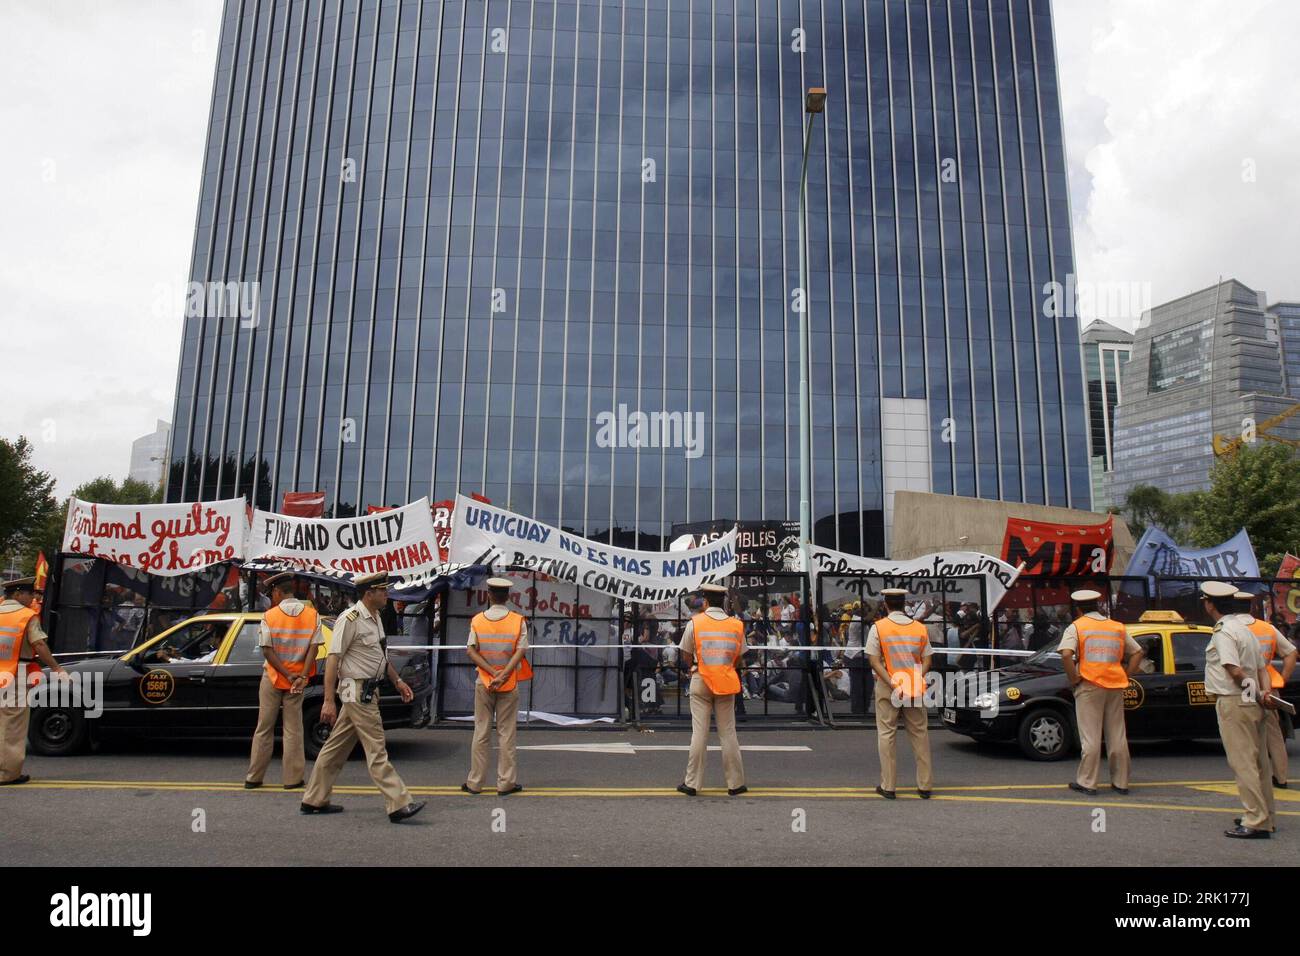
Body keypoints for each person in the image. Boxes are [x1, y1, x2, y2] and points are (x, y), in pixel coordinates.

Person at [300, 572, 425, 823]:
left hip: (366, 690)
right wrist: (327, 700)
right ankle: (399, 803)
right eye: (382, 590)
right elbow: (333, 659)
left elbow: (379, 657)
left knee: (335, 748)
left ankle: (314, 798)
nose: (387, 594)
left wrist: (397, 681)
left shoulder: (375, 617)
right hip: (357, 692)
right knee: (377, 749)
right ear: (369, 594)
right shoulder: (350, 619)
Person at [1201, 581, 1276, 838]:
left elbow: (1234, 670)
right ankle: (1265, 816)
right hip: (1252, 702)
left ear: (1210, 604)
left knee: (1243, 763)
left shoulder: (1223, 632)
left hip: (1234, 701)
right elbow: (1262, 668)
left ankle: (1255, 820)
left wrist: (1255, 693)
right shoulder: (1245, 630)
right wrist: (1263, 694)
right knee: (1259, 763)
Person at [1059, 589, 1144, 796]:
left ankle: (1088, 782)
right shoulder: (1116, 627)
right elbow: (1138, 652)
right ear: (1097, 606)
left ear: (1078, 609)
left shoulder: (1077, 627)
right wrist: (1126, 674)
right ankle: (1121, 782)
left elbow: (1066, 654)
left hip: (1089, 685)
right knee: (1117, 735)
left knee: (1090, 736)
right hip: (1114, 685)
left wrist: (1073, 678)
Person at [244, 572, 324, 791]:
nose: (272, 597)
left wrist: (285, 674)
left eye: (273, 593)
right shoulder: (312, 615)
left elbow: (267, 651)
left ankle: (254, 777)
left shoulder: (269, 616)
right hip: (298, 681)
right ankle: (292, 779)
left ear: (278, 592)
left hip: (273, 678)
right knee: (293, 729)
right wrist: (301, 675)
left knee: (264, 727)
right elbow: (314, 649)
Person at [463, 577, 531, 796]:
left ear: (489, 595)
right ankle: (506, 783)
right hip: (508, 683)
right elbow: (520, 651)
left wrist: (492, 673)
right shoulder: (518, 620)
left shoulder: (477, 620)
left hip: (484, 682)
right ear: (508, 596)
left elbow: (471, 650)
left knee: (481, 732)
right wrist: (503, 674)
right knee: (506, 734)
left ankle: (475, 783)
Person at [677, 583, 747, 796]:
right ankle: (735, 784)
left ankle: (692, 784)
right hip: (725, 682)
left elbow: (686, 653)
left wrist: (693, 667)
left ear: (705, 602)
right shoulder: (736, 625)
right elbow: (740, 658)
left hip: (701, 680)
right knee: (728, 733)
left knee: (699, 733)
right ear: (724, 602)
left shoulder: (695, 623)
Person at [0, 577, 70, 785]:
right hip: (16, 673)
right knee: (13, 724)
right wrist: (57, 668)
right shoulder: (26, 616)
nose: (33, 598)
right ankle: (7, 773)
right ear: (18, 594)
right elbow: (38, 645)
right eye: (30, 594)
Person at [866, 588, 933, 799]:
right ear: (904, 604)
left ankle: (889, 786)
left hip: (889, 686)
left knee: (886, 734)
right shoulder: (920, 628)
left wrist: (893, 683)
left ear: (886, 604)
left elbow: (874, 661)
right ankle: (925, 785)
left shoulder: (878, 628)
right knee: (920, 734)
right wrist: (913, 679)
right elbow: (928, 660)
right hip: (913, 686)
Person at [1234, 592, 1295, 789]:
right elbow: (1291, 653)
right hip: (1268, 685)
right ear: (1251, 607)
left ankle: (1253, 779)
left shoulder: (1231, 629)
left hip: (1242, 686)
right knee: (1274, 735)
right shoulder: (1266, 627)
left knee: (1246, 736)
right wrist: (1282, 680)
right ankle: (1281, 777)